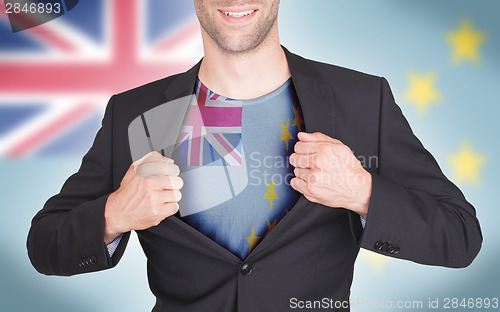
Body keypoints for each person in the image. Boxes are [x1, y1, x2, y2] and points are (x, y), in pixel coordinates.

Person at [27, 1, 482, 311]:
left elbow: (460, 236)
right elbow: (44, 245)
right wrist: (114, 214)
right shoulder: (135, 112)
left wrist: (363, 192)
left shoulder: (363, 100)